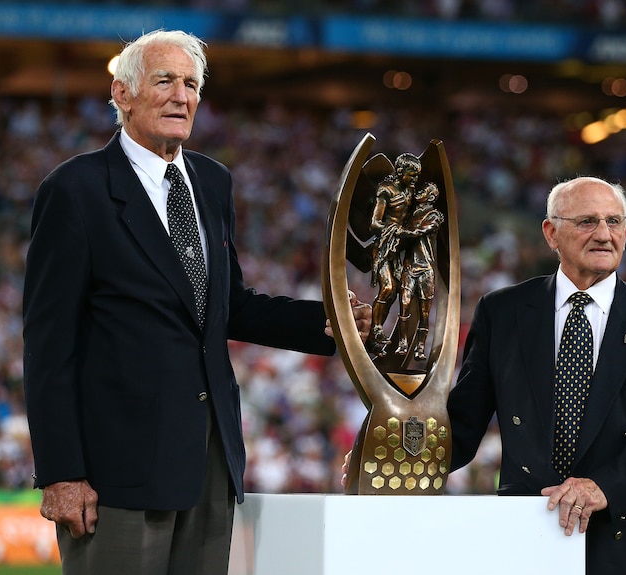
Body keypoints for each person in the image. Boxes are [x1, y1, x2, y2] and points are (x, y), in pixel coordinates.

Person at [22, 30, 370, 575]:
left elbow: (229, 304)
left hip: (209, 462)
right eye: (164, 81)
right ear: (122, 93)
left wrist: (332, 323)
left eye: (191, 84)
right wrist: (62, 473)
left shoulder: (211, 181)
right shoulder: (76, 190)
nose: (181, 96)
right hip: (117, 473)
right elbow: (48, 344)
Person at [447, 176, 626, 575]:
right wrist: (395, 460)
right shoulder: (502, 312)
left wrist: (602, 486)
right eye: (587, 222)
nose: (604, 234)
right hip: (529, 529)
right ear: (551, 233)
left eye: (614, 222)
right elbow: (462, 423)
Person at [366, 153, 420, 355]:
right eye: (411, 175)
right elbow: (374, 223)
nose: (414, 179)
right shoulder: (386, 190)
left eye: (417, 176)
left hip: (400, 248)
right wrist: (394, 229)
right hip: (384, 246)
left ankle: (374, 335)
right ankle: (377, 328)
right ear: (400, 172)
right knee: (387, 287)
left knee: (397, 290)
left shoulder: (411, 191)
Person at [394, 181, 444, 360]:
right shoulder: (409, 215)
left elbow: (420, 231)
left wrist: (399, 231)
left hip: (426, 267)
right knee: (404, 305)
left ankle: (420, 348)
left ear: (430, 197)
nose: (419, 192)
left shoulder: (435, 215)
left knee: (424, 312)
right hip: (409, 266)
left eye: (424, 191)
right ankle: (402, 344)